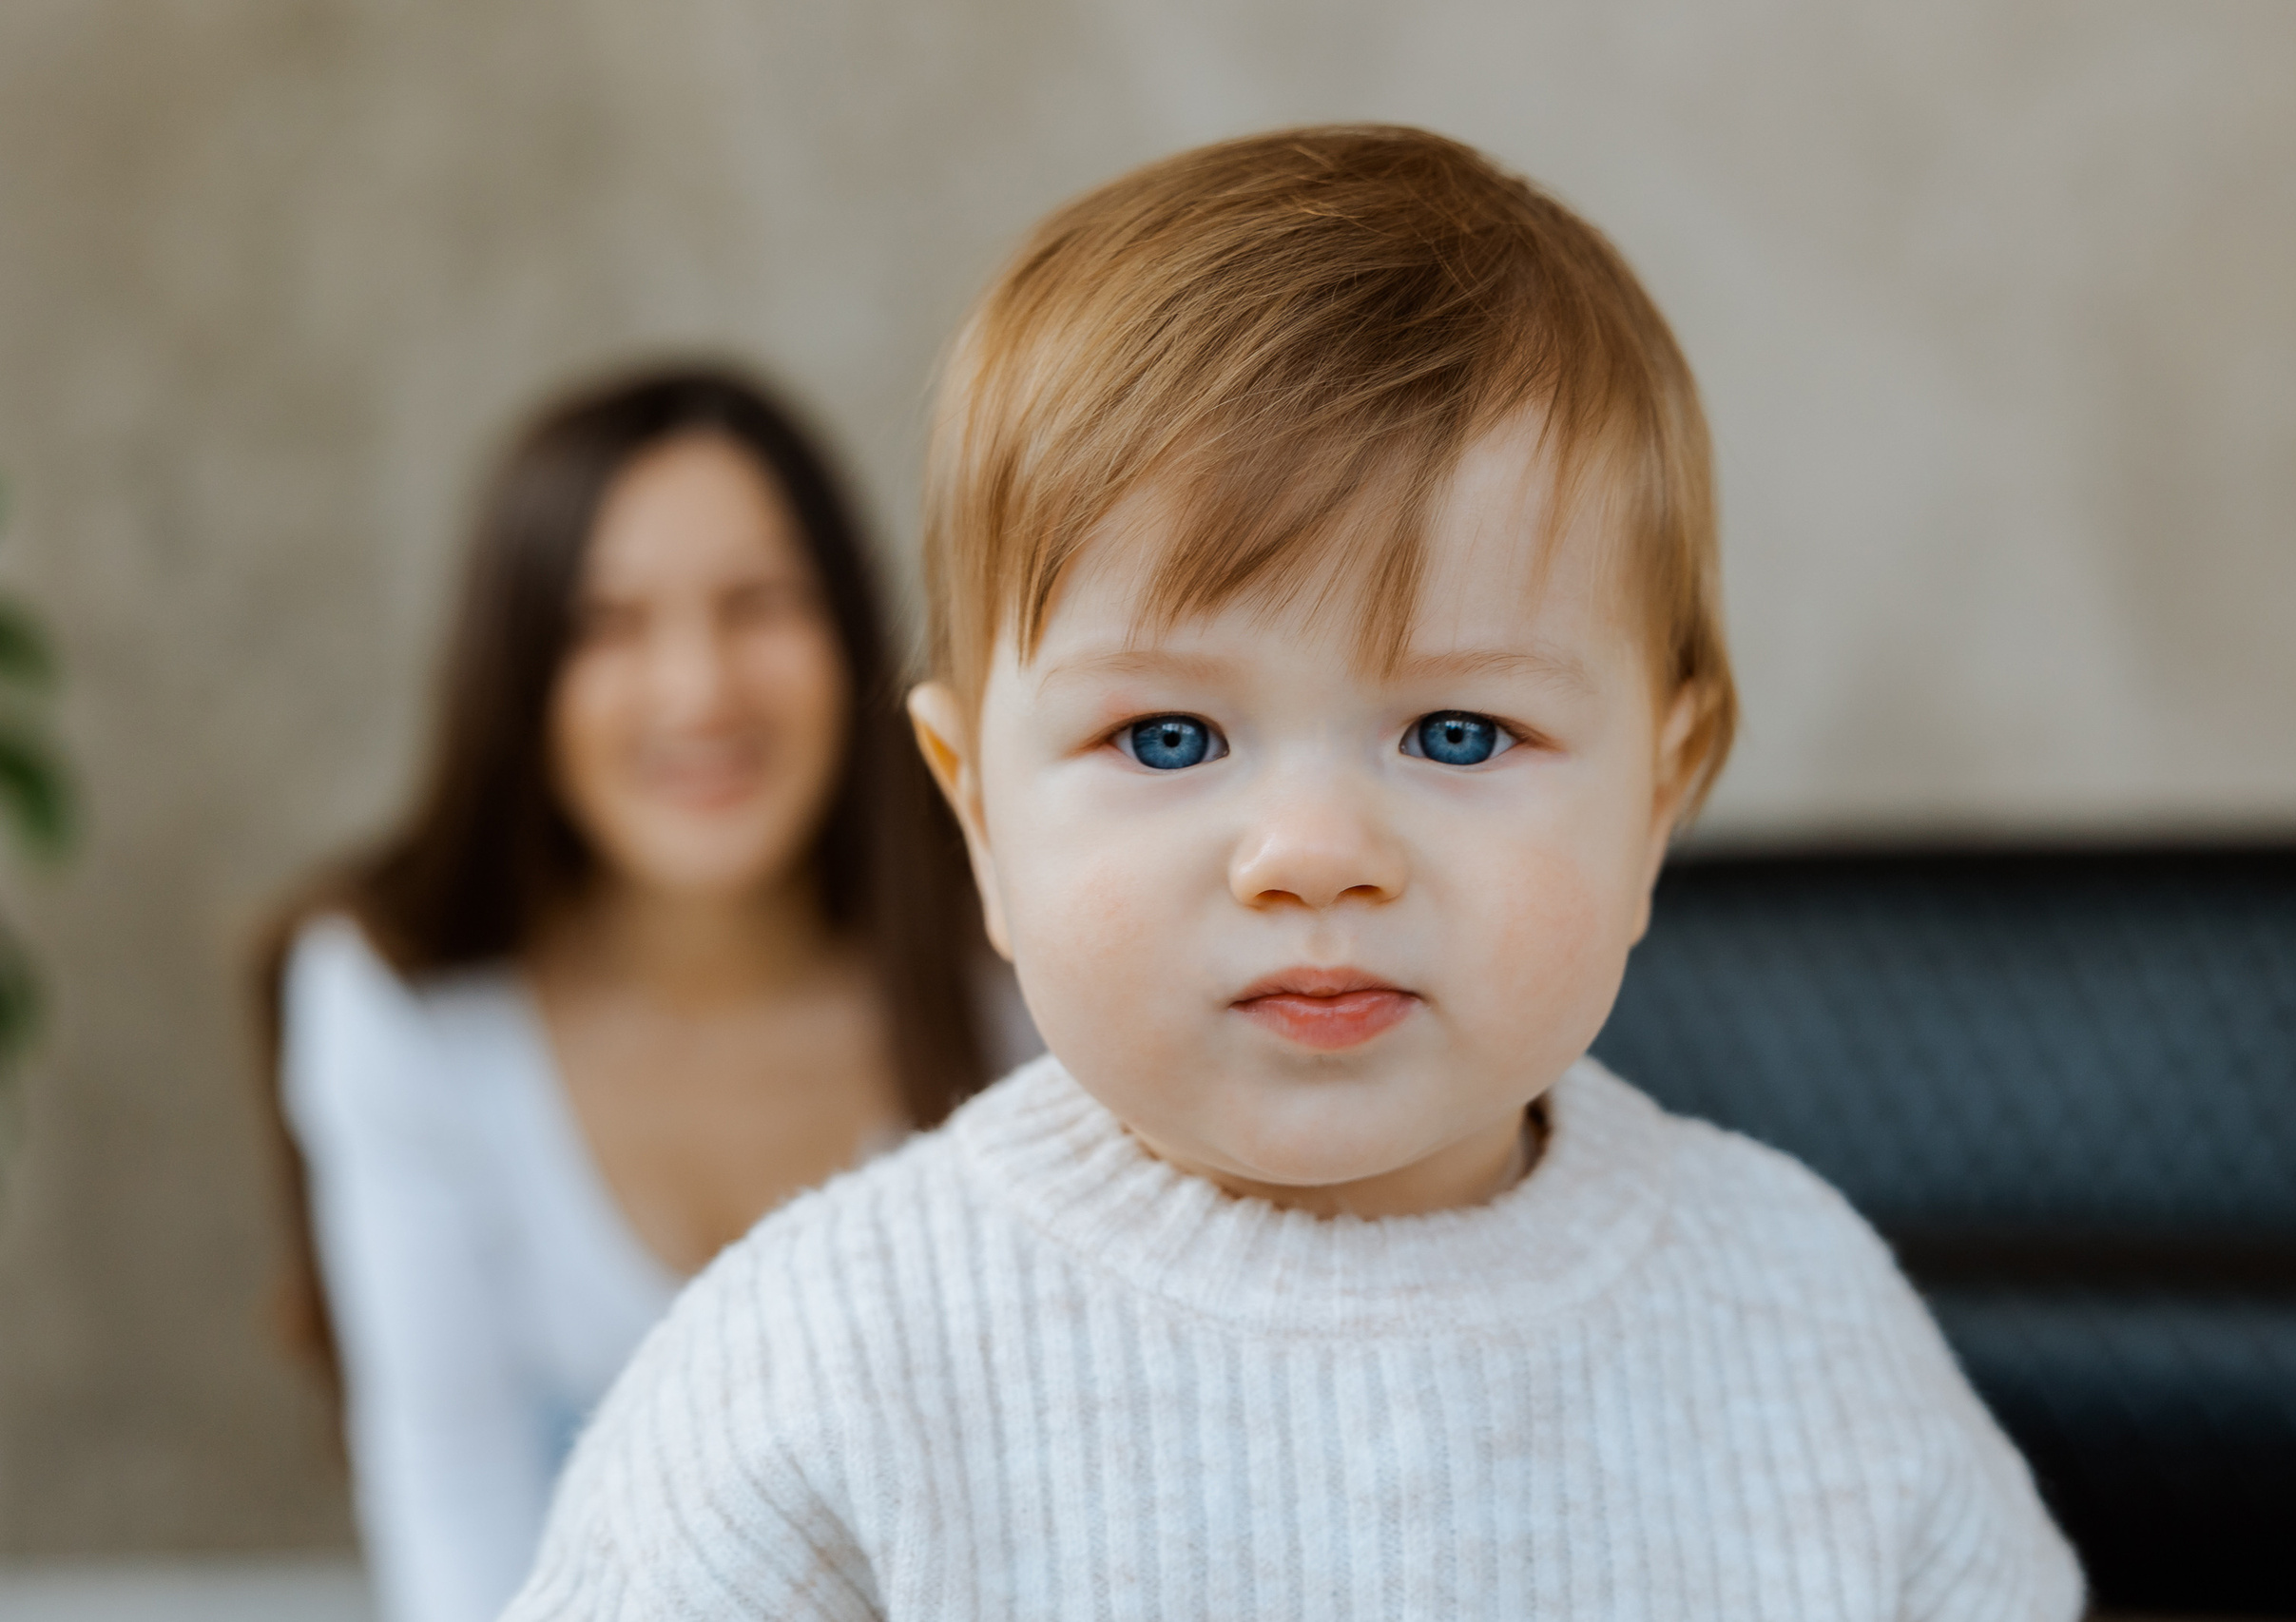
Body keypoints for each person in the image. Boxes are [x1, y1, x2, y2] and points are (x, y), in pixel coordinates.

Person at [502, 129, 2083, 1618]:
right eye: (1174, 738)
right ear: (977, 815)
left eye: (1459, 731)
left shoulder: (1799, 1312)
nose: (1315, 854)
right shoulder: (821, 1361)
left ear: (1657, 797)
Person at [260, 366, 1009, 1622]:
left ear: (854, 631)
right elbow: (450, 1502)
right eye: (607, 624)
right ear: (519, 676)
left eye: (760, 602)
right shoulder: (398, 995)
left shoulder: (1013, 951)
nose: (698, 689)